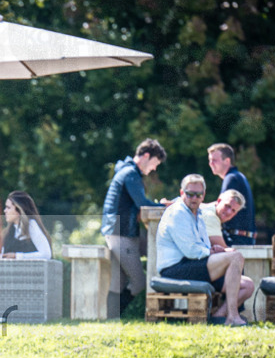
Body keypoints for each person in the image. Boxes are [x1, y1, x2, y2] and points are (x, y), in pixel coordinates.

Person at [156, 174, 252, 327]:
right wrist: (213, 252)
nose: (194, 198)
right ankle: (233, 317)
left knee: (248, 285)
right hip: (175, 268)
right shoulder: (178, 213)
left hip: (193, 265)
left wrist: (212, 249)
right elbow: (191, 251)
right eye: (190, 194)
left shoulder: (198, 214)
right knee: (235, 257)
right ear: (182, 193)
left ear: (203, 195)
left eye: (198, 194)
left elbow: (200, 246)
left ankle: (219, 316)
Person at [101, 138, 168, 318]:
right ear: (146, 156)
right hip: (121, 234)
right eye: (155, 163)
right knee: (138, 282)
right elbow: (142, 204)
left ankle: (110, 318)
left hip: (118, 232)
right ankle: (110, 317)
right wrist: (167, 206)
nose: (154, 169)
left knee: (121, 281)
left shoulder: (127, 172)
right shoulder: (131, 174)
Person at [207, 143, 255, 246]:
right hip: (244, 238)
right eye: (210, 160)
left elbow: (219, 208)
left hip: (236, 239)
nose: (211, 163)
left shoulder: (231, 178)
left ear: (227, 161)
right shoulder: (237, 176)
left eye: (214, 160)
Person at [0, 191, 52, 259]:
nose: (5, 210)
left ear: (19, 210)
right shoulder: (9, 232)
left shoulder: (31, 226)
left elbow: (46, 254)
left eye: (8, 208)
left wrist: (17, 256)